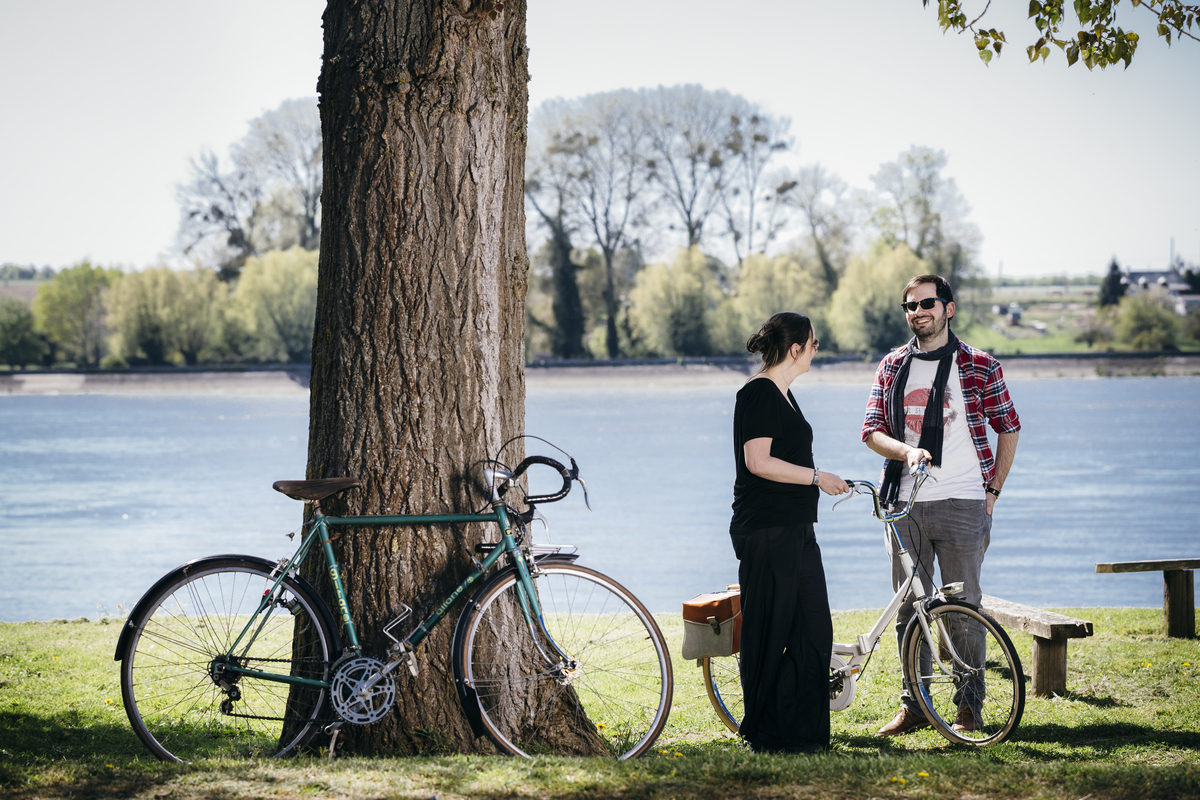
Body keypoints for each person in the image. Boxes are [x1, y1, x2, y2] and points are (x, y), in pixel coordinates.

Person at [861, 274, 1021, 737]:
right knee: (909, 612)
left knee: (963, 607)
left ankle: (969, 707)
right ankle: (916, 704)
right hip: (903, 505)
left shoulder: (979, 365)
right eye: (909, 306)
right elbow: (872, 430)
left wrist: (992, 491)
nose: (918, 312)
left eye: (927, 303)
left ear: (948, 308)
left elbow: (1008, 425)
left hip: (964, 502)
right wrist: (906, 452)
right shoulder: (892, 366)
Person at [730, 311, 850, 754]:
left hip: (797, 528)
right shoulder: (759, 393)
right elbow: (757, 462)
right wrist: (818, 477)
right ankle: (764, 734)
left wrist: (820, 479)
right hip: (766, 530)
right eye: (814, 344)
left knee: (814, 630)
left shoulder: (785, 394)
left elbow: (784, 455)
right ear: (795, 349)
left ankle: (798, 732)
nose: (817, 351)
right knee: (769, 631)